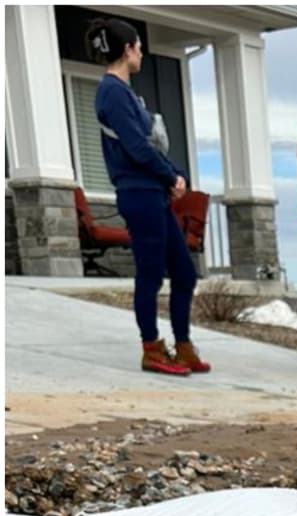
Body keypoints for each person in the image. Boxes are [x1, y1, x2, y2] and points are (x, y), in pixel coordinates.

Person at [87, 18, 209, 376]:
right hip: (137, 193)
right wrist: (170, 175)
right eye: (138, 46)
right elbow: (137, 148)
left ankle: (183, 345)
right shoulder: (111, 91)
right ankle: (152, 348)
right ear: (127, 50)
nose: (141, 52)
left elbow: (148, 146)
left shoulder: (125, 93)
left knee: (184, 274)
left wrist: (174, 174)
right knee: (151, 274)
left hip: (153, 193)